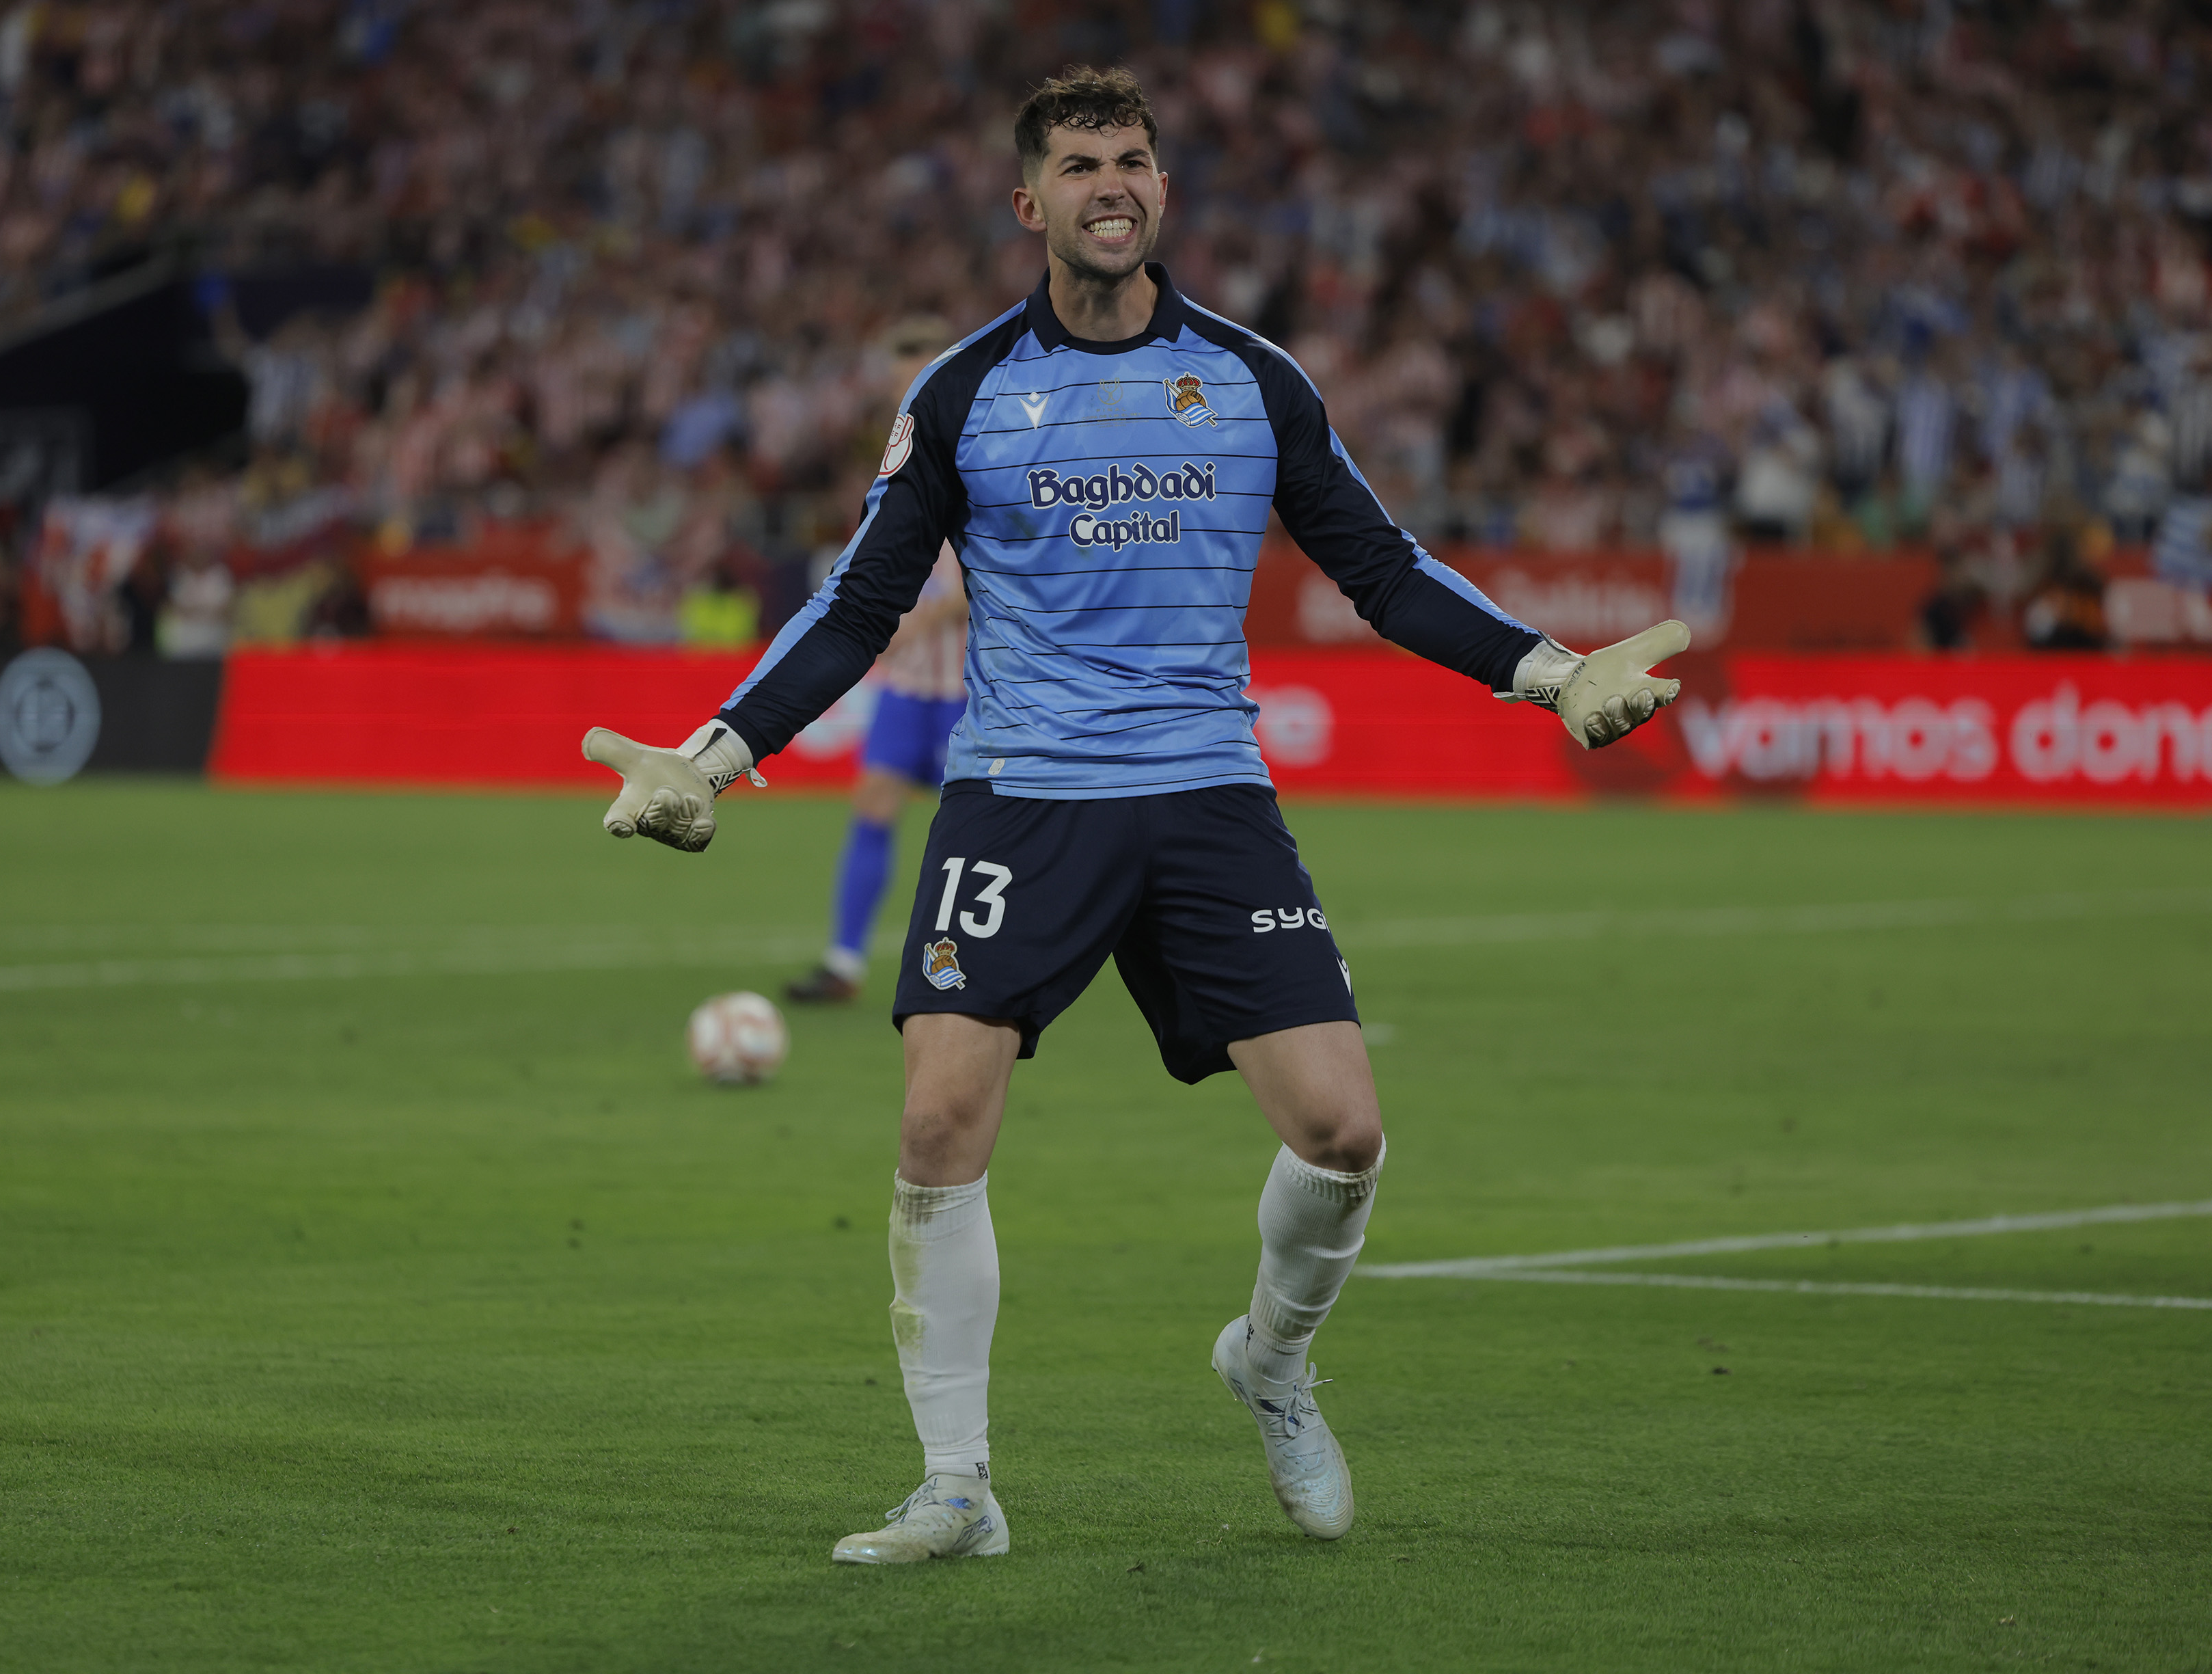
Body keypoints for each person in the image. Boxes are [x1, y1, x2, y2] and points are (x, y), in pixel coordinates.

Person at [580, 66, 1684, 1564]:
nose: (1115, 183)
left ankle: (1274, 1362)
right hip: (1022, 796)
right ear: (1028, 202)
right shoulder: (963, 392)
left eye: (1137, 161)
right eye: (1083, 163)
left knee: (1344, 1131)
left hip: (1208, 795)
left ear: (1163, 193)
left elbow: (1383, 566)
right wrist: (710, 758)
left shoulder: (1252, 378)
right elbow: (857, 607)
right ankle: (956, 1483)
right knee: (935, 1119)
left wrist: (1550, 674)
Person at [785, 548, 968, 1003]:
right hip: (904, 690)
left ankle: (984, 958)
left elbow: (991, 584)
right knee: (873, 805)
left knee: (975, 828)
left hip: (966, 691)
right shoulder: (906, 508)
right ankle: (844, 962)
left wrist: (917, 621)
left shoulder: (982, 503)